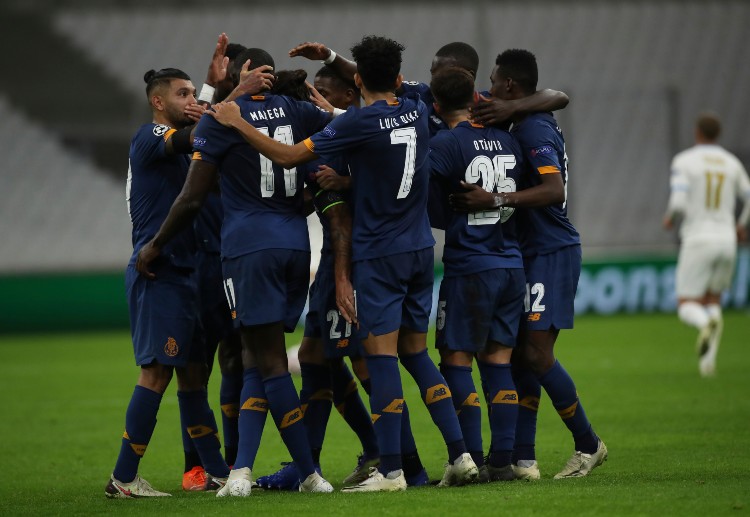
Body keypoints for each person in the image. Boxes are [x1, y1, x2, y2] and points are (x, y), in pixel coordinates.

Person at [209, 35, 478, 492]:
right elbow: (385, 153)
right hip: (419, 248)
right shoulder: (416, 106)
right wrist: (333, 72)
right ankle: (460, 454)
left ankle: (392, 470)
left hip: (377, 254)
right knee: (412, 354)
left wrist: (236, 120)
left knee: (379, 361)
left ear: (357, 82)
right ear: (398, 76)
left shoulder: (357, 123)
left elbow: (289, 156)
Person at [135, 49, 335, 497]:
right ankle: (245, 467)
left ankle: (300, 474)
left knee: (266, 363)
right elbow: (345, 133)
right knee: (257, 359)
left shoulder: (223, 120)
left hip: (249, 248)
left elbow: (190, 198)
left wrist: (155, 244)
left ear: (242, 73)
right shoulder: (299, 111)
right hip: (295, 245)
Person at [255, 66, 429, 490]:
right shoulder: (350, 130)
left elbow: (340, 223)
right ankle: (319, 463)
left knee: (365, 363)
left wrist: (342, 279)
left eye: (324, 92)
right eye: (310, 94)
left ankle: (404, 464)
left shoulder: (340, 139)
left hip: (349, 263)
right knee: (318, 357)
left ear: (350, 94)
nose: (316, 99)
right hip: (344, 262)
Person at [450, 49, 607, 480]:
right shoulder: (518, 115)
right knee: (521, 355)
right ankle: (523, 458)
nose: (488, 88)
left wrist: (496, 199)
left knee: (536, 353)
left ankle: (588, 443)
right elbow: (557, 94)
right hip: (526, 252)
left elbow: (554, 190)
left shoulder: (534, 126)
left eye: (494, 81)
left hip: (550, 251)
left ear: (509, 85)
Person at [105, 68, 230, 498]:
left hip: (188, 272)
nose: (192, 99)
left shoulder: (178, 143)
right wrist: (233, 95)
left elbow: (196, 134)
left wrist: (211, 91)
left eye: (194, 92)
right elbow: (194, 135)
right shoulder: (149, 135)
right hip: (159, 272)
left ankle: (215, 471)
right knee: (156, 373)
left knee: (192, 378)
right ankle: (123, 478)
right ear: (158, 102)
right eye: (183, 94)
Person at [429, 67, 526, 483]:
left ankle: (469, 460)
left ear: (436, 106)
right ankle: (502, 461)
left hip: (470, 266)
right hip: (510, 264)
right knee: (498, 360)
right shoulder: (509, 139)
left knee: (455, 359)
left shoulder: (445, 143)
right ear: (474, 98)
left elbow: (418, 192)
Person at [663, 111, 750, 377]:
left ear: (697, 133)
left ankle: (703, 324)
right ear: (718, 134)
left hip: (699, 238)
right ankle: (707, 365)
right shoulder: (731, 162)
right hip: (727, 240)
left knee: (686, 305)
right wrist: (741, 225)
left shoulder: (685, 161)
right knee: (714, 300)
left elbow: (679, 202)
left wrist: (670, 219)